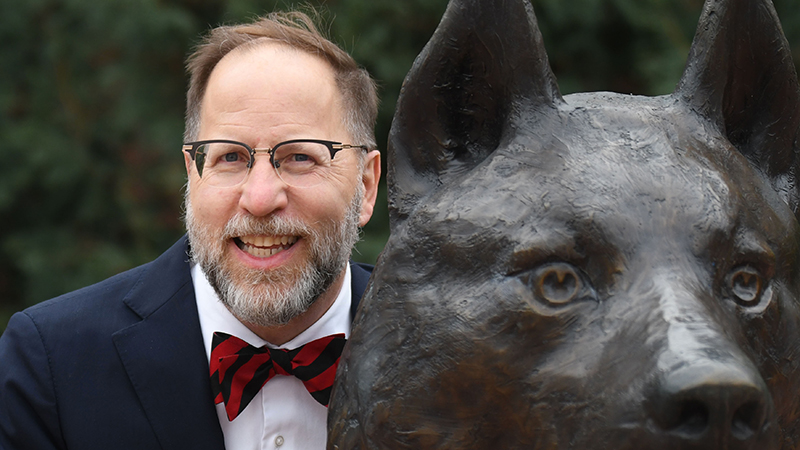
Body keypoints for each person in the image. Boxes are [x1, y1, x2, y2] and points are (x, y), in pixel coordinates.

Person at [0, 10, 381, 450]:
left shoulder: (461, 355)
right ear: (192, 173)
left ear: (366, 186)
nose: (259, 199)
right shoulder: (48, 365)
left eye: (300, 157)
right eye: (230, 158)